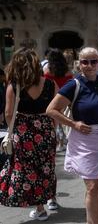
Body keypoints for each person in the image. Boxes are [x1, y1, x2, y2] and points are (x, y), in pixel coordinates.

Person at [46, 47, 98, 224]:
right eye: (85, 62)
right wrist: (74, 124)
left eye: (93, 61)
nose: (89, 65)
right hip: (84, 141)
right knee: (92, 187)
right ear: (79, 64)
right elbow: (51, 110)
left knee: (97, 187)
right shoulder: (74, 84)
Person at [0, 48, 59, 221]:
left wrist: (16, 128)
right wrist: (51, 127)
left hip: (24, 134)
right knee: (47, 167)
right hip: (46, 131)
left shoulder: (14, 86)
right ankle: (52, 199)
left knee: (28, 170)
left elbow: (9, 113)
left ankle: (40, 209)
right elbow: (57, 110)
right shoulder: (50, 84)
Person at [44, 48, 74, 153]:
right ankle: (67, 141)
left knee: (56, 122)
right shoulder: (68, 70)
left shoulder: (48, 70)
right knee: (66, 121)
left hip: (53, 99)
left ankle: (59, 142)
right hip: (67, 99)